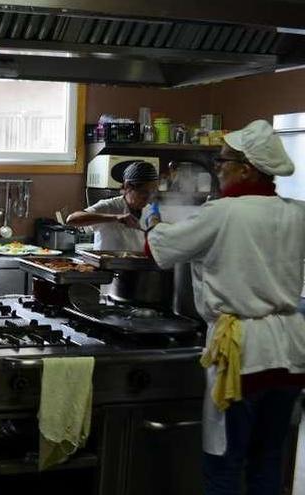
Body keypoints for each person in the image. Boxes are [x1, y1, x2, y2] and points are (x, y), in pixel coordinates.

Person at [146, 119, 305, 495]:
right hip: (290, 353)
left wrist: (152, 217)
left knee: (224, 463)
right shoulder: (297, 212)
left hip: (242, 353)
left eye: (223, 162)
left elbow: (160, 250)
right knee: (269, 459)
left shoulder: (223, 212)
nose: (217, 169)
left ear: (246, 167)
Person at [66, 161, 159, 250]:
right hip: (108, 265)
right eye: (143, 192)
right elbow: (72, 220)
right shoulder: (109, 206)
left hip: (137, 265)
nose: (148, 198)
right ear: (127, 187)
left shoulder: (150, 211)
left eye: (152, 192)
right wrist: (116, 217)